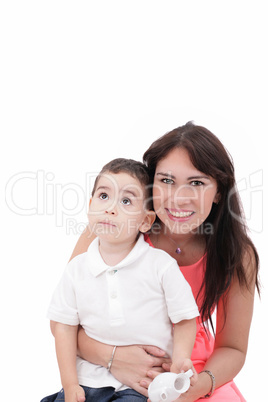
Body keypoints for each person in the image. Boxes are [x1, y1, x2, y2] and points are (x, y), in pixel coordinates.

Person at [67, 122, 260, 401]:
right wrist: (116, 359)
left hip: (193, 372)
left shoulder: (236, 254)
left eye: (196, 183)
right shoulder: (112, 228)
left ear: (219, 191)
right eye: (166, 180)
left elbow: (233, 348)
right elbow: (64, 321)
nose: (178, 198)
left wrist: (198, 386)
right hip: (113, 370)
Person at [42, 158, 200, 402]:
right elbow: (63, 327)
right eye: (104, 196)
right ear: (90, 205)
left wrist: (180, 358)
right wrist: (70, 383)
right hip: (86, 380)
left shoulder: (161, 266)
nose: (111, 208)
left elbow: (185, 318)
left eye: (126, 201)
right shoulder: (77, 269)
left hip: (139, 387)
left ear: (146, 221)